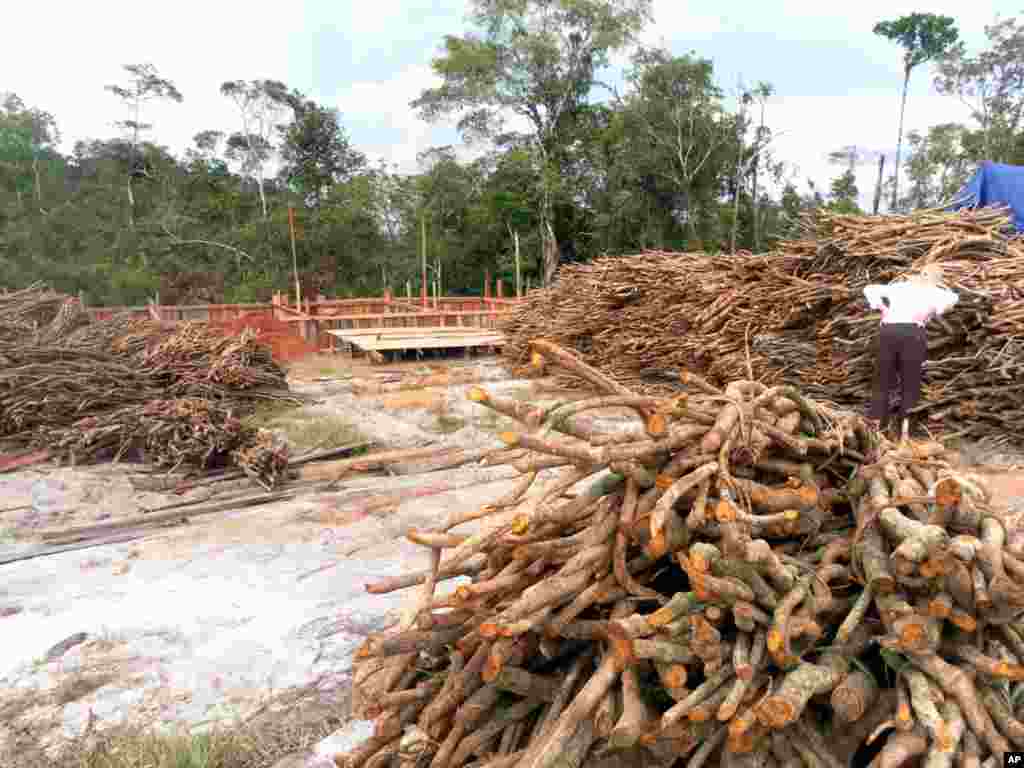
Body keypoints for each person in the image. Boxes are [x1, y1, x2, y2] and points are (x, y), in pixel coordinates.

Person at [863, 263, 958, 442]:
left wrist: (880, 307)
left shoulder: (899, 287)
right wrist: (937, 307)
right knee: (911, 379)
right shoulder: (936, 293)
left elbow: (869, 289)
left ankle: (878, 430)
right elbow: (952, 298)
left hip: (888, 331)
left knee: (882, 378)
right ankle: (904, 433)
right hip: (913, 333)